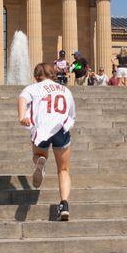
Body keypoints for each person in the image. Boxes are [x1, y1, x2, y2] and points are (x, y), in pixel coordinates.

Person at [18, 62, 76, 221]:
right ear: (54, 75)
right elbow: (71, 115)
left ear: (36, 77)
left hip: (42, 130)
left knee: (38, 154)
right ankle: (64, 205)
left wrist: (22, 116)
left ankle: (40, 162)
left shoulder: (32, 88)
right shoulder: (65, 90)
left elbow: (22, 99)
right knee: (63, 170)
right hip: (60, 130)